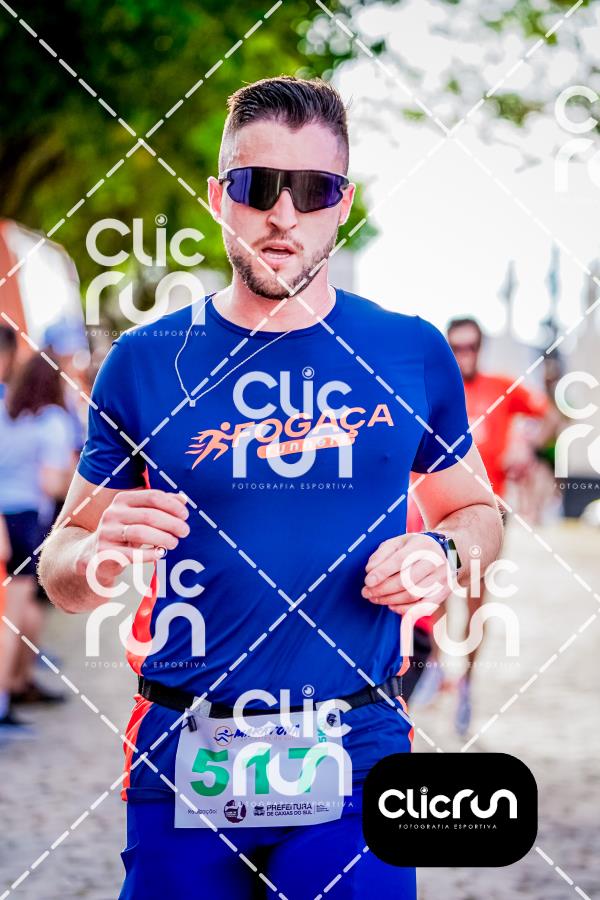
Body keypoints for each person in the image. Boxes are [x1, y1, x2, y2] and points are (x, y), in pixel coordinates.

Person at [39, 77, 502, 899]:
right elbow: (59, 566)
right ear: (219, 196)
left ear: (342, 205)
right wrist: (94, 555)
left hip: (357, 744)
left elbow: (478, 513)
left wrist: (445, 551)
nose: (283, 214)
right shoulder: (144, 361)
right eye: (259, 186)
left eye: (313, 190)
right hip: (184, 745)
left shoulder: (409, 350)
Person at [446, 316, 550, 735]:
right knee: (433, 594)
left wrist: (527, 449)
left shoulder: (502, 386)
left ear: (481, 347)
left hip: (491, 509)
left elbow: (550, 416)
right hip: (440, 508)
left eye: (471, 347)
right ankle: (433, 670)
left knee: (475, 602)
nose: (464, 355)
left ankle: (466, 684)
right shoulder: (439, 387)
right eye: (456, 347)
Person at [0, 354, 74, 733]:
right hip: (28, 519)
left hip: (5, 515)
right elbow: (50, 483)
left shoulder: (9, 413)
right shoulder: (53, 421)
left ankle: (17, 684)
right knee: (15, 615)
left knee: (17, 607)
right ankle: (7, 693)